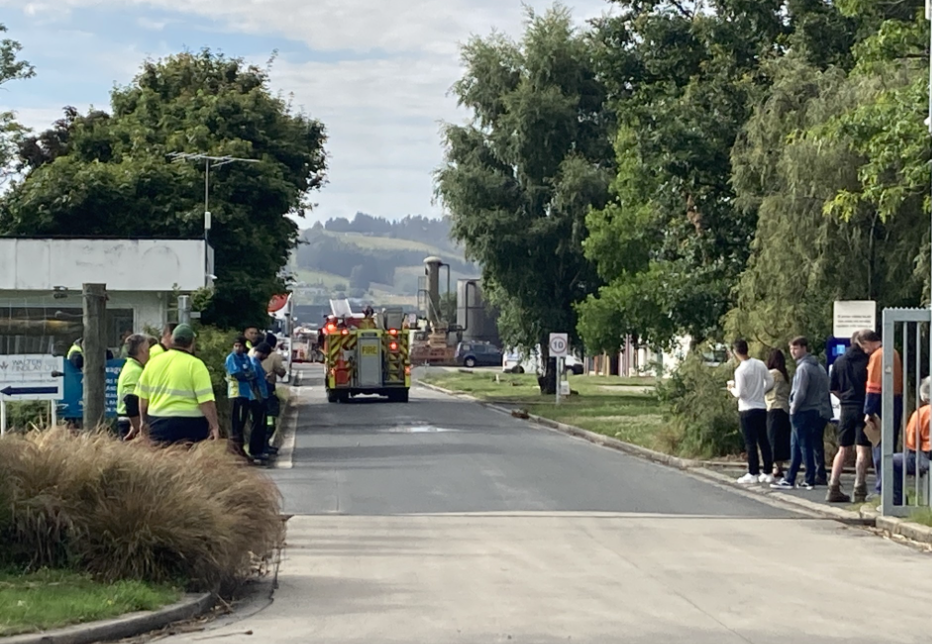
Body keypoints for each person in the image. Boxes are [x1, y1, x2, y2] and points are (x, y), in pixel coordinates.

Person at [136, 324, 221, 445]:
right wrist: (214, 426)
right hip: (191, 424)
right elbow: (206, 401)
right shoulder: (196, 365)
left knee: (159, 456)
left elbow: (143, 398)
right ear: (192, 343)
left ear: (172, 340)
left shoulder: (153, 363)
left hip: (158, 422)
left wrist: (143, 422)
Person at [772, 336, 832, 490]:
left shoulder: (803, 368)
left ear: (804, 348)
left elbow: (800, 392)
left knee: (803, 445)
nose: (793, 352)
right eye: (791, 348)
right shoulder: (818, 367)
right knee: (799, 445)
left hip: (803, 411)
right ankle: (791, 477)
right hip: (818, 410)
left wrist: (793, 408)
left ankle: (808, 478)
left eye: (796, 348)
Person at [826, 330, 871, 503]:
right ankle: (859, 488)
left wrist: (844, 398)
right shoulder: (868, 361)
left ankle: (833, 486)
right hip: (863, 407)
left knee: (843, 448)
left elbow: (833, 388)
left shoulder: (840, 361)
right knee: (862, 449)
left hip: (846, 408)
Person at [861, 329, 903, 497]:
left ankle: (882, 489)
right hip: (896, 400)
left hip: (881, 404)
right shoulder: (893, 352)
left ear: (867, 342)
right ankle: (893, 489)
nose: (865, 351)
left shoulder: (878, 356)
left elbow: (874, 385)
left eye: (864, 347)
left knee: (879, 447)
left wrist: (868, 411)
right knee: (890, 447)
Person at [727, 339, 774, 484]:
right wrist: (761, 391)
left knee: (750, 442)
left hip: (747, 408)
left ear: (735, 352)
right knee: (763, 440)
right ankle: (768, 471)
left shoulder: (740, 370)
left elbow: (740, 393)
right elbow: (770, 381)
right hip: (761, 406)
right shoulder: (759, 364)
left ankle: (753, 472)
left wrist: (731, 388)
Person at [892, 376, 931, 506]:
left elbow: (911, 442)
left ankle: (897, 501)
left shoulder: (921, 413)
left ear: (924, 396)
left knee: (892, 461)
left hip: (926, 457)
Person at [225, 335, 257, 458]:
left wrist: (247, 375)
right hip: (235, 394)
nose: (237, 348)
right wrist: (246, 375)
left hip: (246, 394)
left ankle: (240, 448)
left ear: (244, 348)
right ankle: (234, 450)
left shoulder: (246, 358)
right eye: (235, 346)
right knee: (235, 424)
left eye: (240, 346)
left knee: (242, 423)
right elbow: (237, 374)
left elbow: (253, 373)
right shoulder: (231, 358)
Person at [116, 334, 150, 440]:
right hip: (130, 422)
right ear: (142, 350)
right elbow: (130, 400)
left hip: (128, 419)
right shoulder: (134, 371)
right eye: (148, 350)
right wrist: (137, 427)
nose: (150, 354)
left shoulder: (131, 366)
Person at [765, 349, 791, 479]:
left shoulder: (772, 374)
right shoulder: (785, 375)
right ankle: (779, 467)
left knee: (772, 439)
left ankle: (772, 467)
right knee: (780, 440)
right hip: (784, 408)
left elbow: (763, 389)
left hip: (773, 407)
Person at [261, 333, 287, 454]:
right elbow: (281, 372)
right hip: (268, 388)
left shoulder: (252, 353)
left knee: (258, 418)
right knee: (271, 417)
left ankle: (261, 444)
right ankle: (265, 443)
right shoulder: (274, 356)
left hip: (254, 390)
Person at [247, 342, 272, 463]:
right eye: (266, 355)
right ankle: (256, 451)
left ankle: (259, 449)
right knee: (258, 425)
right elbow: (254, 382)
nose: (266, 358)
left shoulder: (256, 363)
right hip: (258, 398)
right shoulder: (254, 364)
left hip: (261, 397)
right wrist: (259, 397)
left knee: (261, 425)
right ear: (263, 353)